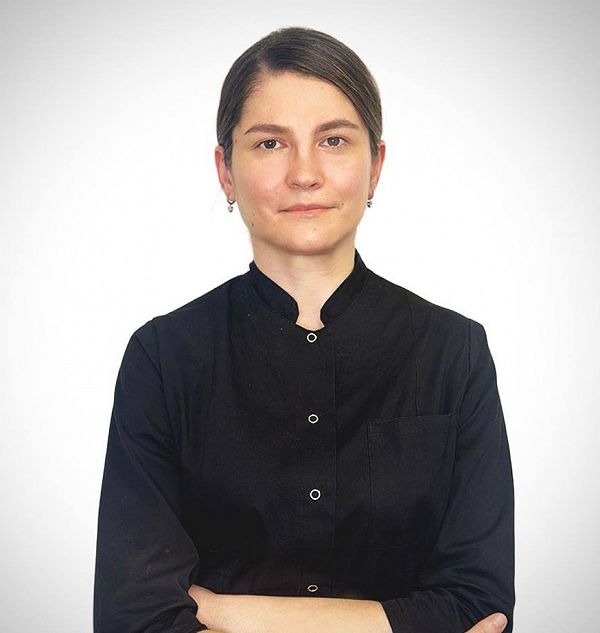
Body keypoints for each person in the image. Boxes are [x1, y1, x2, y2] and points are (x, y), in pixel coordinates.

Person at [93, 27, 514, 633]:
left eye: (333, 140)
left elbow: (479, 607)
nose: (304, 173)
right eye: (270, 144)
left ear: (375, 166)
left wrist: (219, 609)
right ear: (226, 171)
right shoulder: (163, 359)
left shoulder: (454, 352)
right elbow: (135, 618)